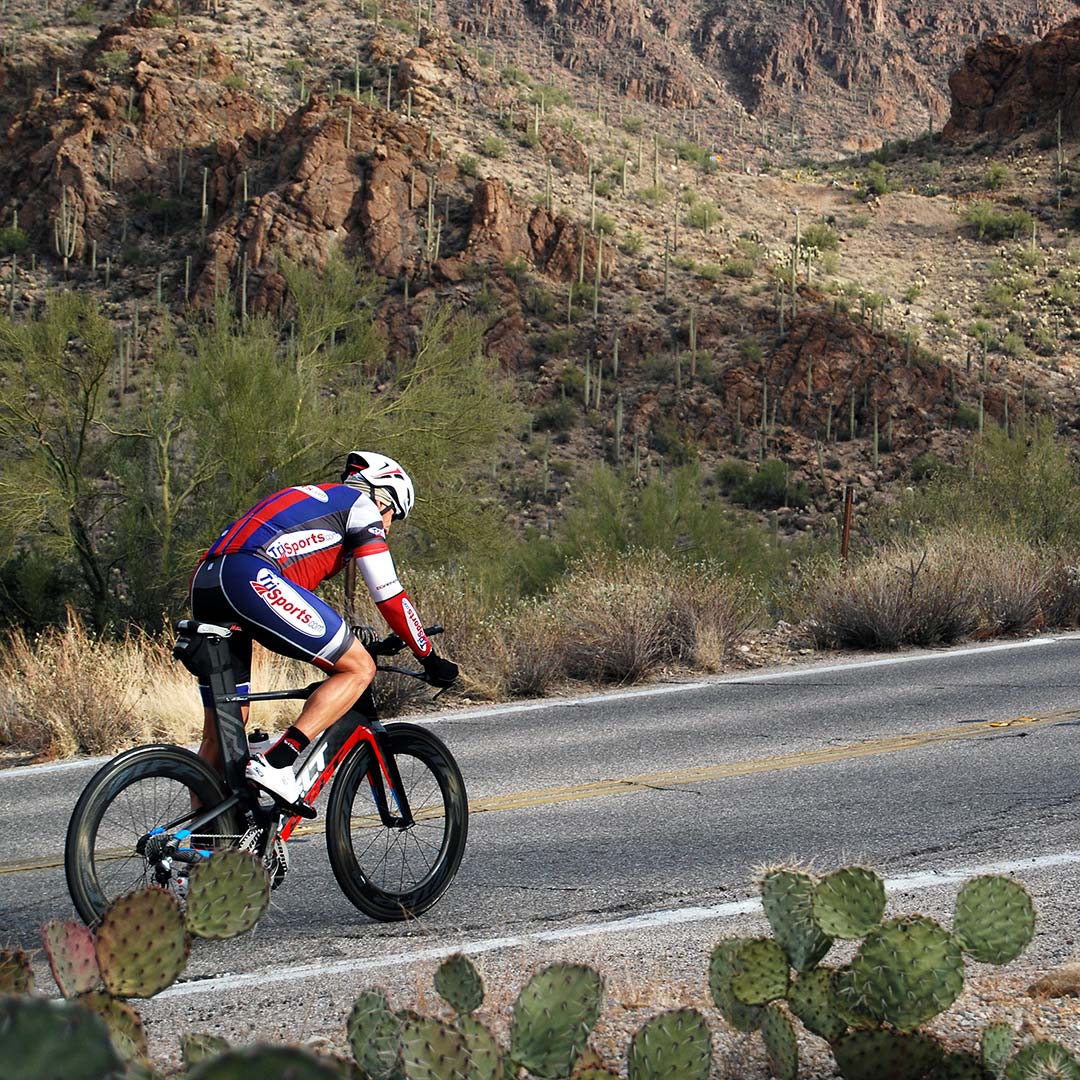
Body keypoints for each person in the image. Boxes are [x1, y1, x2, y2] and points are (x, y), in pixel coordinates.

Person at [188, 451, 458, 816]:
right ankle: (280, 762)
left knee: (227, 729)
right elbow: (389, 593)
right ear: (381, 497)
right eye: (393, 513)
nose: (389, 527)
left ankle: (197, 850)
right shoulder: (361, 506)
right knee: (358, 669)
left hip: (207, 580)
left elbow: (298, 595)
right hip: (250, 577)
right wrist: (429, 656)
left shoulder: (316, 501)